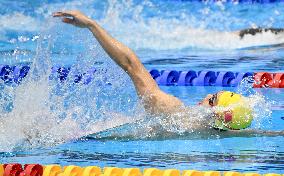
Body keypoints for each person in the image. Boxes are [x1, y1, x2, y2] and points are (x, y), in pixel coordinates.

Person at [53, 11, 283, 136]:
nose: (204, 96)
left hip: (75, 134)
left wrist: (93, 25)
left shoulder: (171, 109)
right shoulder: (227, 132)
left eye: (212, 97)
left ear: (214, 109)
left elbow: (130, 64)